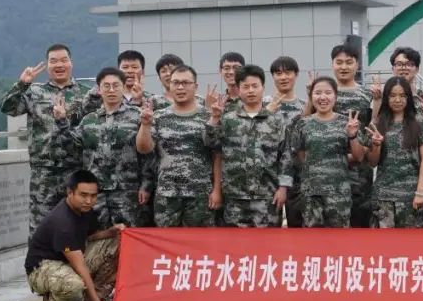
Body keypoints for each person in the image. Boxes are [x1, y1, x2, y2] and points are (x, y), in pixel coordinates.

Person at [0, 43, 99, 231]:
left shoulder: (86, 94)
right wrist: (22, 84)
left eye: (63, 60)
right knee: (41, 226)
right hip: (43, 172)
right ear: (47, 65)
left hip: (75, 170)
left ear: (71, 63)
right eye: (54, 61)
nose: (59, 65)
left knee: (77, 225)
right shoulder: (34, 92)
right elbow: (7, 108)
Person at [53, 67, 151, 227]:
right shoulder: (89, 120)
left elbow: (148, 156)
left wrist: (146, 185)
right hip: (95, 193)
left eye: (116, 85)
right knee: (97, 235)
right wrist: (61, 121)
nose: (111, 90)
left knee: (127, 234)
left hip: (127, 191)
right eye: (106, 86)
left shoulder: (137, 116)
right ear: (99, 90)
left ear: (123, 87)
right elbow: (72, 149)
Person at [24, 170, 123, 301]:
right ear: (70, 193)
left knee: (116, 243)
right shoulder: (63, 223)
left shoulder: (85, 210)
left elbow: (91, 236)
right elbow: (80, 266)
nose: (89, 201)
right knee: (74, 287)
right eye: (83, 195)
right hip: (42, 268)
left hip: (69, 260)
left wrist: (111, 232)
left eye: (93, 196)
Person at [136, 65, 222, 227]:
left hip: (200, 194)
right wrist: (145, 125)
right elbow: (144, 148)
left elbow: (217, 155)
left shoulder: (209, 115)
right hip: (167, 194)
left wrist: (217, 190)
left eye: (185, 83)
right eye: (175, 83)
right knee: (166, 240)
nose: (180, 87)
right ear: (169, 85)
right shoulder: (158, 116)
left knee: (198, 240)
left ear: (195, 86)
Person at [209, 65, 291, 228]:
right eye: (246, 87)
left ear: (263, 88)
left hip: (267, 197)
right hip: (234, 197)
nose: (251, 90)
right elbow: (211, 146)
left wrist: (283, 188)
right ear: (239, 89)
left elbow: (285, 156)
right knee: (235, 242)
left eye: (255, 86)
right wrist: (214, 119)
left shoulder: (276, 121)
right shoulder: (228, 119)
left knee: (268, 241)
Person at [283, 76, 368, 227]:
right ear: (311, 96)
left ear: (335, 96)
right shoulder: (303, 124)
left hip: (339, 193)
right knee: (313, 237)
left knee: (338, 238)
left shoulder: (347, 123)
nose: (323, 97)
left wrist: (352, 136)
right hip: (311, 193)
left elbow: (359, 157)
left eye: (328, 93)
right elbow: (300, 155)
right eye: (318, 93)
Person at [363, 76, 423, 228]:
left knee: (409, 242)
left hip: (411, 196)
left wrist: (420, 192)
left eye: (402, 95)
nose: (397, 100)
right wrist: (376, 145)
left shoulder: (419, 121)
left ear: (408, 98)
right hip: (383, 196)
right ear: (386, 98)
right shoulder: (377, 122)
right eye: (392, 95)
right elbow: (372, 162)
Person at [330, 44, 374, 228]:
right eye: (339, 62)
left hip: (359, 170)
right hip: (330, 168)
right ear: (332, 64)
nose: (344, 67)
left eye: (349, 62)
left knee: (359, 223)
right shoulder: (325, 93)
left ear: (357, 65)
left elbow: (373, 129)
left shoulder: (367, 95)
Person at [266, 56, 307, 227]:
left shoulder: (305, 108)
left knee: (299, 229)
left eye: (288, 72)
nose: (283, 77)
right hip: (268, 178)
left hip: (298, 179)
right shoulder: (263, 105)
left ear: (296, 75)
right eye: (278, 73)